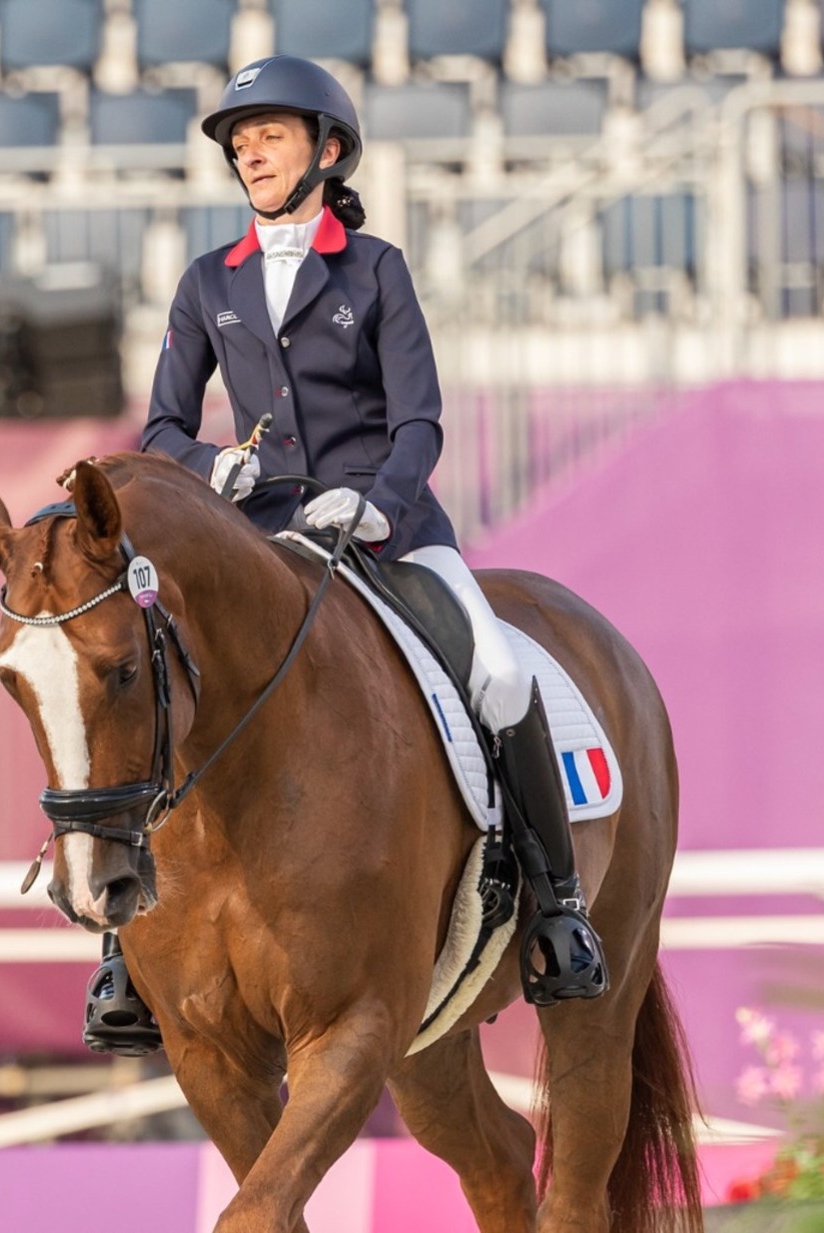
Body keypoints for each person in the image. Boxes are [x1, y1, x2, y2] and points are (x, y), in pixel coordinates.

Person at [85, 55, 607, 1053]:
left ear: (326, 150)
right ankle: (123, 950)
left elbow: (421, 420)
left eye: (267, 135)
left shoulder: (375, 272)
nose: (248, 152)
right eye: (239, 143)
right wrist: (211, 468)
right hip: (258, 541)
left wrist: (374, 504)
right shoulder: (210, 283)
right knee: (149, 681)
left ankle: (558, 909)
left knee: (498, 673)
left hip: (388, 532)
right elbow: (159, 427)